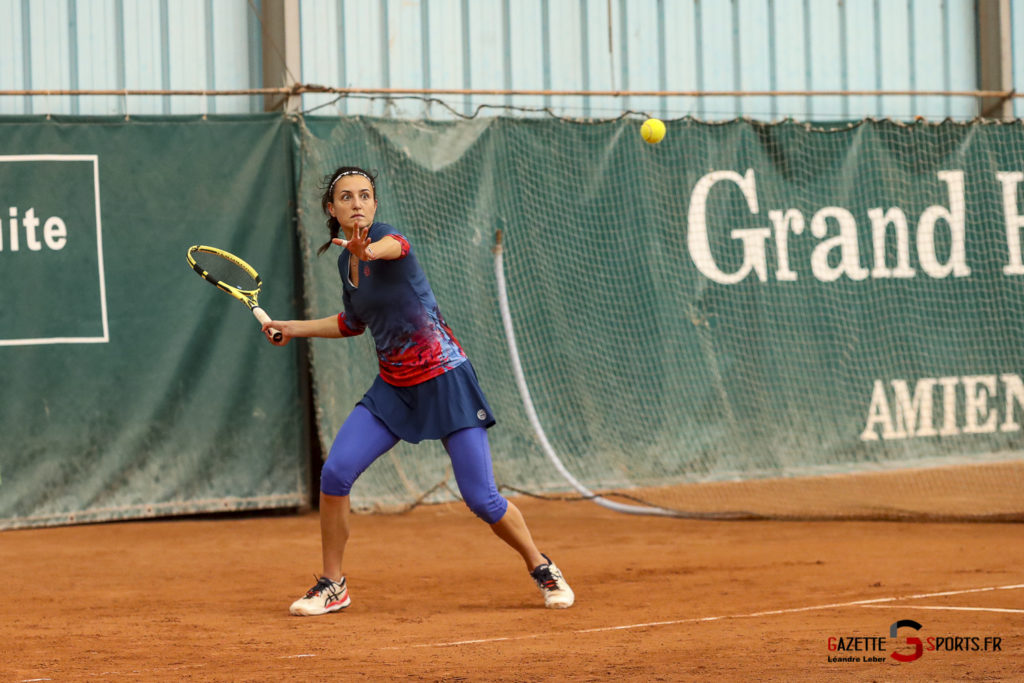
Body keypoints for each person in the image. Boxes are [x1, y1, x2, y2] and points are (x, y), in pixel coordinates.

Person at [262, 165, 574, 615]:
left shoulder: (386, 241)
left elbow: (393, 247)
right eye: (346, 198)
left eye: (365, 196)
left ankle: (542, 567)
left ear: (374, 204)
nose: (357, 204)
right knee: (335, 475)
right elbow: (352, 323)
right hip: (394, 388)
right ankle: (333, 584)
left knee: (482, 499)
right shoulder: (344, 263)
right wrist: (292, 328)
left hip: (447, 381)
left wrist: (368, 251)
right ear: (331, 209)